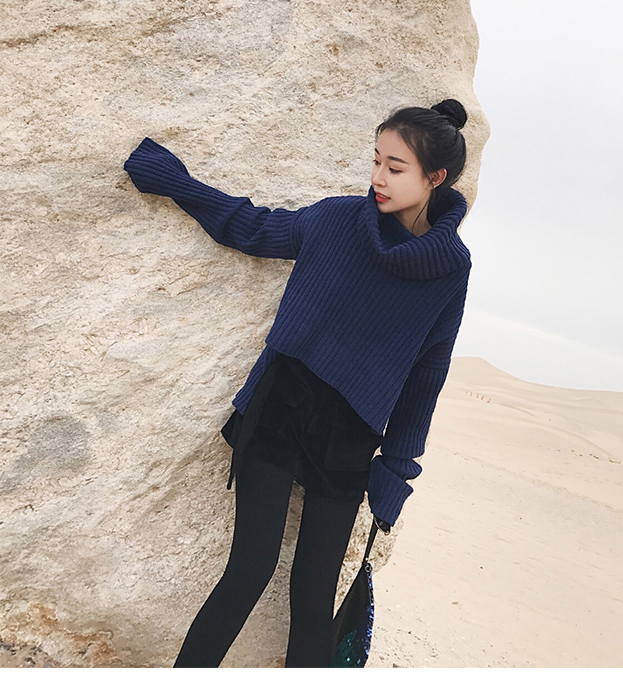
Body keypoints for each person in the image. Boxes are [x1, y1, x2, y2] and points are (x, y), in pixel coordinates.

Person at [122, 99, 473, 667]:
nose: (378, 177)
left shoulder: (450, 270)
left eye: (395, 167)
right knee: (250, 569)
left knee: (314, 594)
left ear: (436, 178)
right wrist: (175, 182)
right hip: (281, 406)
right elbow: (253, 227)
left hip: (350, 435)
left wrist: (398, 468)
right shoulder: (336, 220)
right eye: (376, 160)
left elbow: (426, 376)